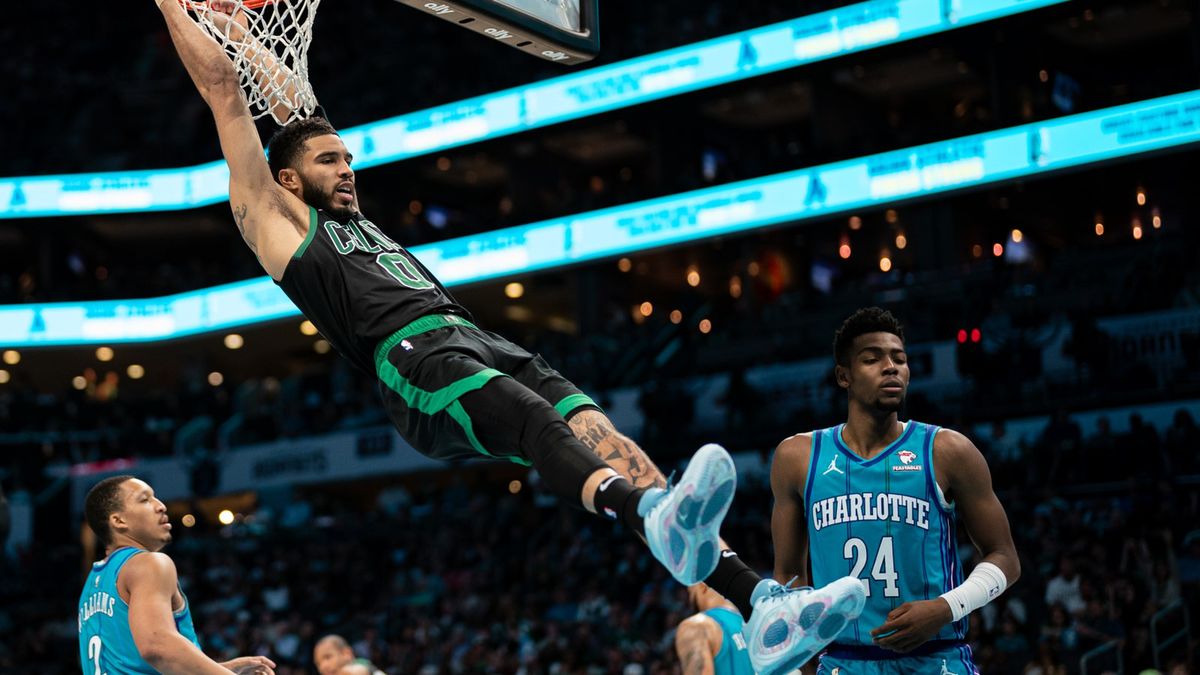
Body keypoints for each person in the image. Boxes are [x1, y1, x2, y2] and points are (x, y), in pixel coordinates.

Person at [151, 4, 868, 663]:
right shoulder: (274, 221)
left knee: (601, 431)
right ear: (285, 178)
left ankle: (763, 604)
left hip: (471, 333)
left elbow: (291, 104)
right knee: (532, 419)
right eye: (330, 162)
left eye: (349, 159)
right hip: (411, 360)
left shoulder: (346, 213)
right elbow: (225, 90)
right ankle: (648, 511)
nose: (348, 171)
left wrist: (247, 34)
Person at [768, 307, 1021, 674]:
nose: (891, 367)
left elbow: (1006, 558)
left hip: (938, 657)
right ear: (844, 376)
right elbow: (789, 575)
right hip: (844, 661)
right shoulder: (798, 457)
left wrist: (945, 608)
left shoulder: (947, 450)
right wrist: (805, 665)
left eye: (899, 359)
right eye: (872, 359)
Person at [77, 475, 277, 675]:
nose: (161, 505)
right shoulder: (149, 563)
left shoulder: (94, 584)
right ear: (118, 520)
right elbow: (157, 646)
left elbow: (136, 665)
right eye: (145, 499)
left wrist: (223, 669)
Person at [675, 584, 753, 675]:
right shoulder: (754, 627)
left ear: (702, 585)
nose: (690, 597)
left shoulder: (696, 626)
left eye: (691, 590)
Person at [313, 634, 384, 675]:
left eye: (328, 657)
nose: (323, 666)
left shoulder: (360, 665)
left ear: (347, 653)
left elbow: (358, 671)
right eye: (318, 664)